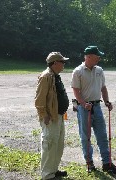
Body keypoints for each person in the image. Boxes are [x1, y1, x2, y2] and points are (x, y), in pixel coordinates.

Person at [71, 45, 116, 174]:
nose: (99, 58)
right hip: (84, 108)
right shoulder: (78, 71)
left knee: (102, 135)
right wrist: (82, 103)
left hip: (97, 106)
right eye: (97, 56)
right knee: (85, 137)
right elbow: (76, 90)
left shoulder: (99, 70)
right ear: (88, 57)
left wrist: (107, 101)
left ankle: (107, 162)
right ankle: (89, 162)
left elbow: (103, 87)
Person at [35, 52, 69, 180]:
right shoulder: (46, 77)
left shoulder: (55, 76)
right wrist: (44, 115)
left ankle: (53, 170)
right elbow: (39, 100)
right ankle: (47, 175)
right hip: (50, 117)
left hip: (58, 116)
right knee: (49, 145)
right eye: (62, 62)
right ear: (55, 63)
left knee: (58, 144)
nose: (64, 64)